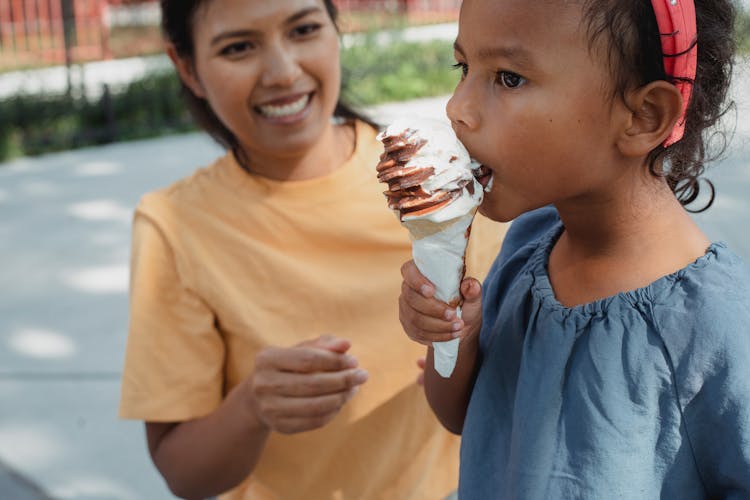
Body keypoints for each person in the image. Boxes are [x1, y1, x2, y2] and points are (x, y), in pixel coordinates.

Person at [118, 0, 505, 499]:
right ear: (187, 67)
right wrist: (252, 407)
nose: (282, 72)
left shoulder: (440, 177)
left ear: (335, 28)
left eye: (303, 29)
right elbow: (184, 473)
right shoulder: (174, 226)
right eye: (238, 47)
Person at [399, 0, 750, 498]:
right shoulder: (528, 245)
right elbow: (461, 416)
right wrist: (456, 333)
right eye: (464, 68)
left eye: (508, 78)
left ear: (643, 116)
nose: (457, 107)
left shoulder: (718, 325)